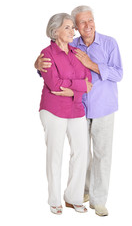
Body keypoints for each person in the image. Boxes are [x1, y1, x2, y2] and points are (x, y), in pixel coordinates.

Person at [35, 6, 123, 216]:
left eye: (90, 20)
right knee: (80, 155)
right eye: (80, 23)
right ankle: (79, 193)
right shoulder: (70, 44)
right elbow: (53, 75)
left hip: (103, 107)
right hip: (77, 108)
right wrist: (37, 65)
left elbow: (116, 75)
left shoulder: (109, 43)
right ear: (74, 26)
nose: (86, 26)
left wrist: (90, 66)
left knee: (101, 156)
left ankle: (98, 200)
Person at [38, 12, 92, 215]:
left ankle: (73, 197)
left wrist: (73, 89)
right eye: (68, 27)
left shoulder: (77, 52)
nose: (73, 31)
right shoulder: (46, 54)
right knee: (55, 154)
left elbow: (88, 81)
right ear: (55, 31)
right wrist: (78, 86)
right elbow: (54, 85)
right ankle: (54, 199)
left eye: (72, 27)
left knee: (81, 153)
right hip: (53, 110)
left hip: (76, 107)